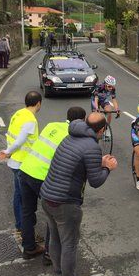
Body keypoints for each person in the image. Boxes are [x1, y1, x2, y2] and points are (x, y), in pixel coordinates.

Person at [40, 112, 117, 276]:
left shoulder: (71, 135)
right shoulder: (91, 146)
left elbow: (76, 163)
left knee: (55, 239)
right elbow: (96, 181)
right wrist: (107, 167)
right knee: (69, 244)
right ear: (101, 130)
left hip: (47, 196)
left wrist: (96, 163)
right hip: (65, 203)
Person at [19, 106, 86, 263]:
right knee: (53, 215)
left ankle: (28, 248)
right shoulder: (73, 135)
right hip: (43, 176)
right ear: (82, 120)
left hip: (26, 169)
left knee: (27, 211)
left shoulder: (51, 125)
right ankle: (49, 254)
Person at [0, 92, 42, 233]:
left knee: (18, 194)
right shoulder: (30, 120)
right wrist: (7, 151)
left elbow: (11, 134)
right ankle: (24, 226)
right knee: (24, 197)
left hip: (15, 161)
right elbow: (20, 140)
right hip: (23, 162)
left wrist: (9, 153)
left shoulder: (19, 113)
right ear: (38, 103)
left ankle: (21, 224)